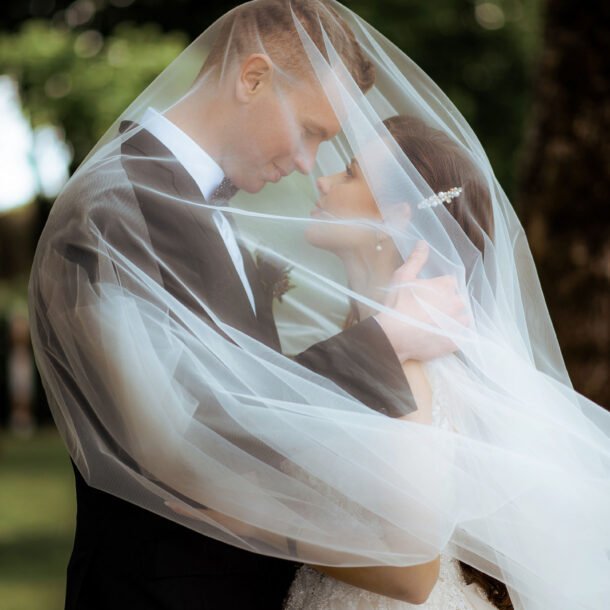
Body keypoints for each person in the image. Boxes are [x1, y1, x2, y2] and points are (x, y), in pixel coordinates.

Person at [28, 1, 610, 610]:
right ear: (252, 78)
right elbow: (175, 438)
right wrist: (379, 344)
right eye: (310, 131)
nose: (310, 166)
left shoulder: (199, 208)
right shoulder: (112, 210)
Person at [284, 115, 503, 609]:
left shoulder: (408, 360)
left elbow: (413, 570)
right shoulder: (359, 344)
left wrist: (256, 525)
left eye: (350, 173)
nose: (322, 179)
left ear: (397, 216)